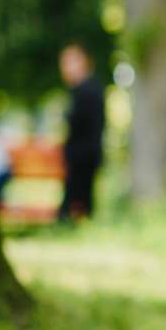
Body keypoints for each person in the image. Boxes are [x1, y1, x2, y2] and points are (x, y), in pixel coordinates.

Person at [58, 43, 106, 222]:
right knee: (79, 200)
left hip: (83, 154)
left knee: (78, 199)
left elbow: (87, 126)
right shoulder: (81, 91)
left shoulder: (88, 90)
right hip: (81, 153)